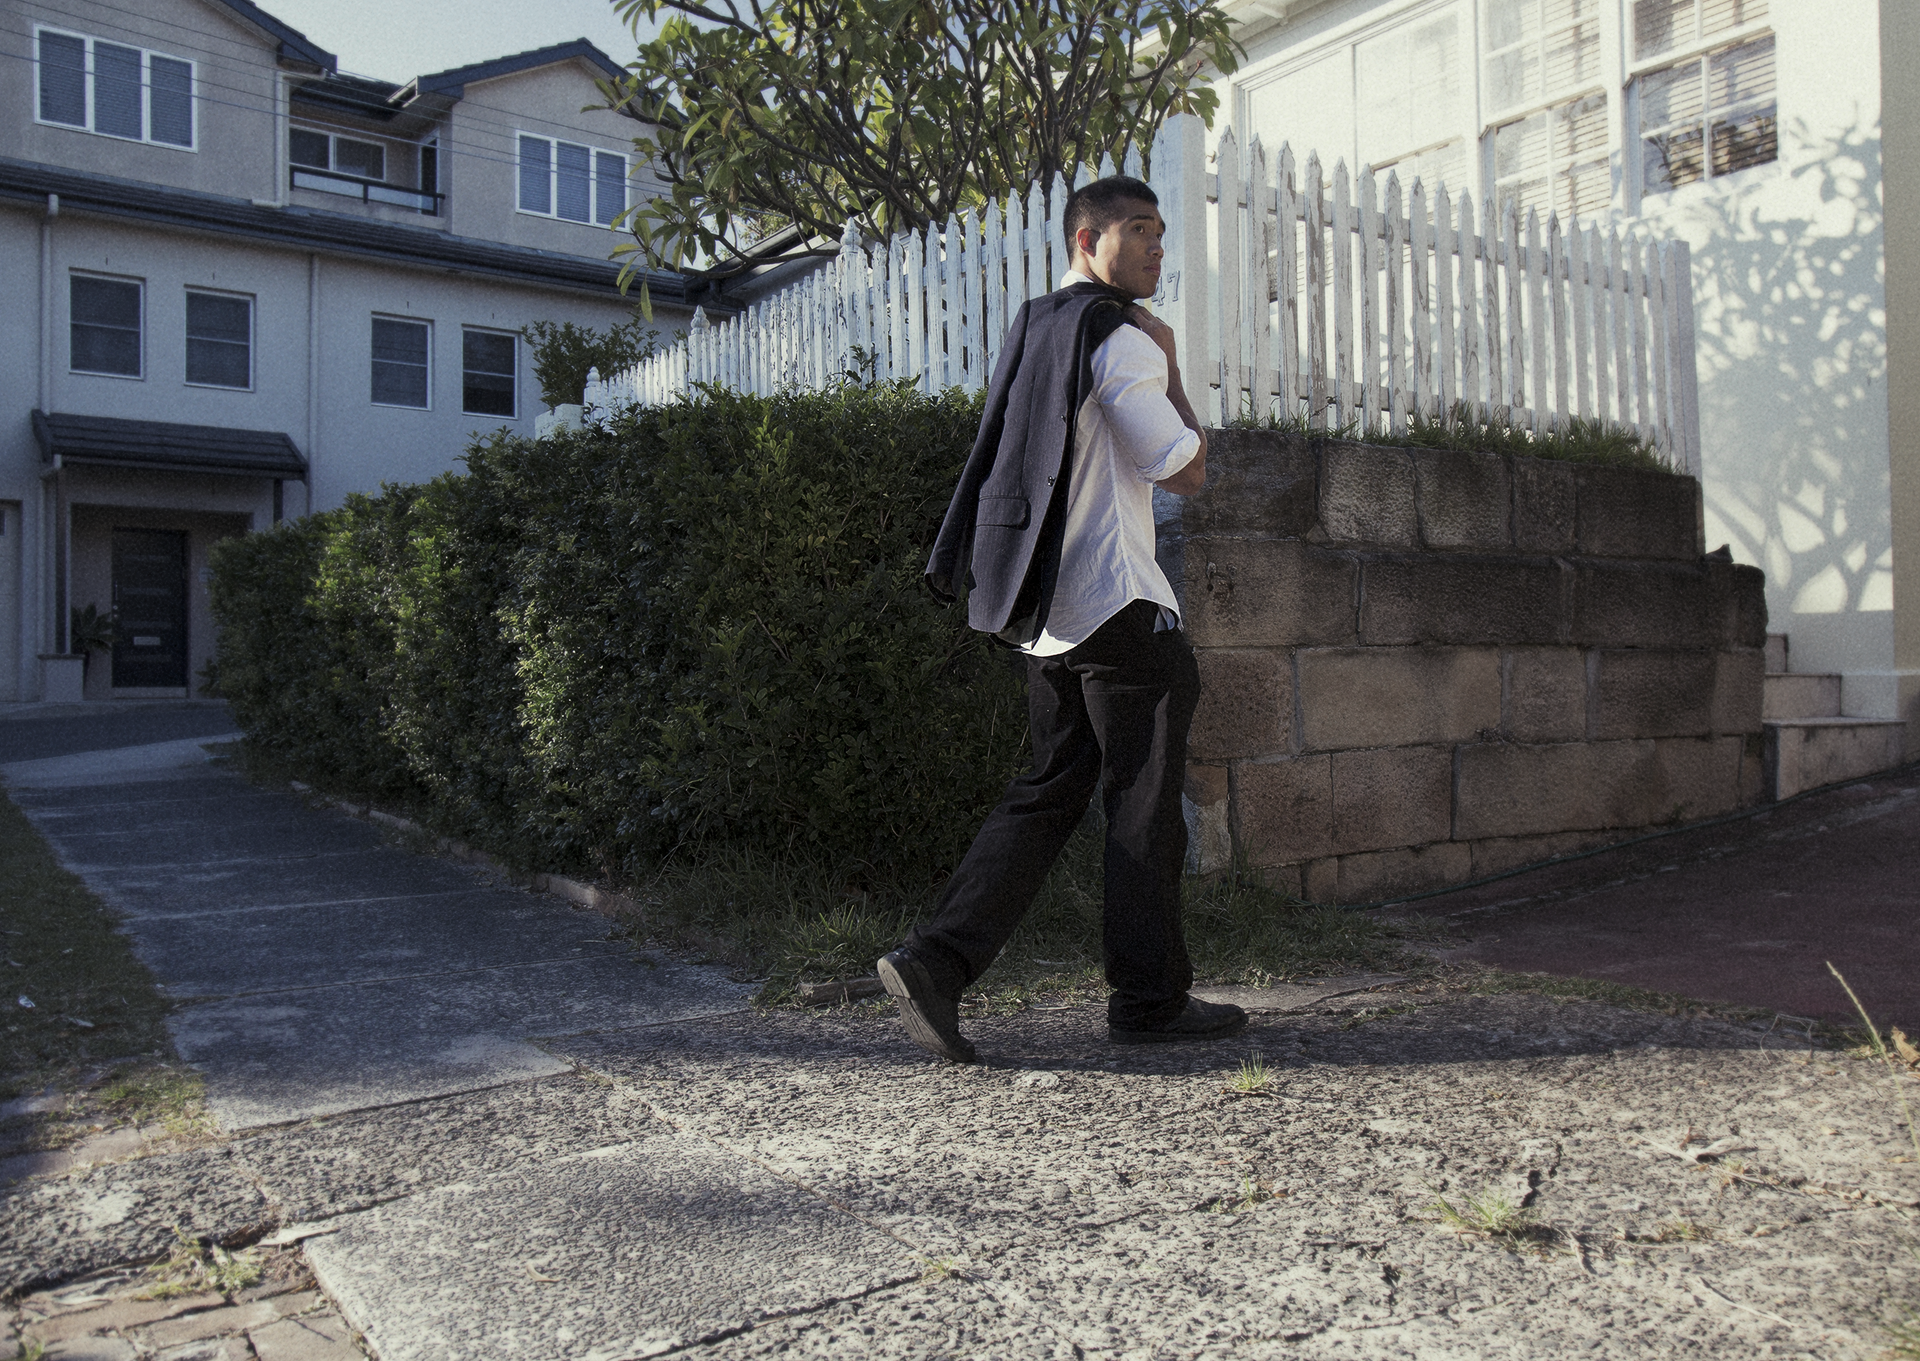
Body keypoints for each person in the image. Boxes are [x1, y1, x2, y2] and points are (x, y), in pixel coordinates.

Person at [876, 174, 1247, 1063]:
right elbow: (1181, 466)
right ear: (1087, 241)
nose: (1158, 246)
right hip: (1120, 608)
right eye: (1137, 230)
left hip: (1046, 618)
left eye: (1162, 231)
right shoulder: (1120, 339)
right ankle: (1149, 1001)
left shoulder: (1039, 327)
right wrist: (1172, 364)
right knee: (1144, 809)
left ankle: (936, 960)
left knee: (1046, 796)